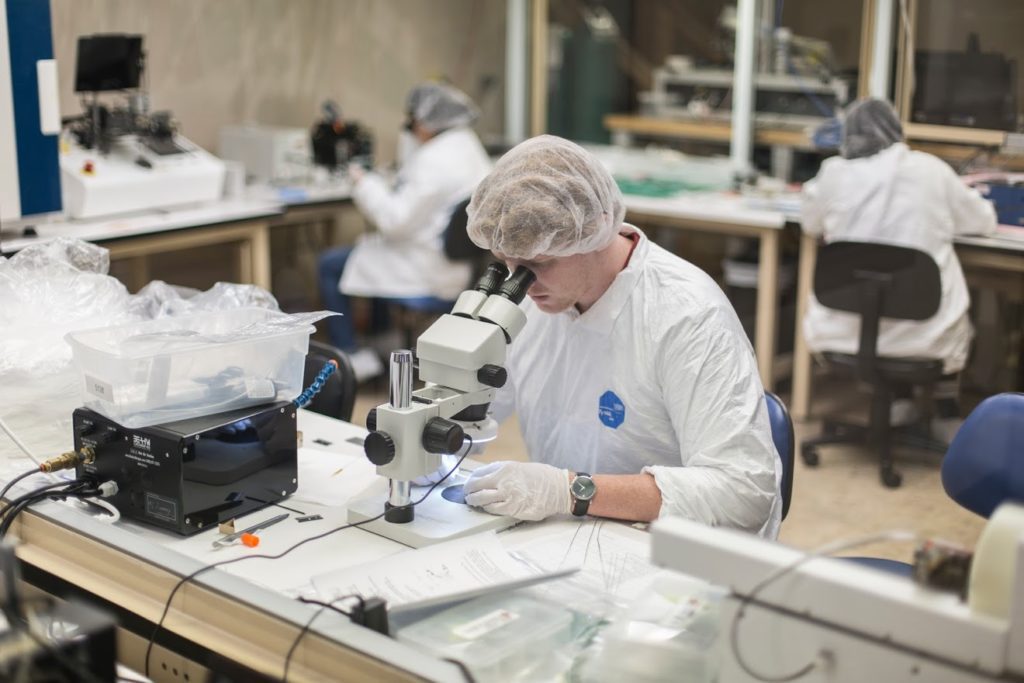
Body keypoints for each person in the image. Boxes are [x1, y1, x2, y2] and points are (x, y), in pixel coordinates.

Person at [460, 135, 781, 537]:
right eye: (505, 261)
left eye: (537, 262)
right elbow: (475, 409)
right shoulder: (530, 300)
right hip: (569, 534)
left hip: (679, 549)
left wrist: (570, 492)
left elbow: (744, 494)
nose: (520, 280)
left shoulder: (688, 314)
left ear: (592, 232)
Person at [801, 98, 997, 427]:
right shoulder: (930, 170)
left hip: (843, 333)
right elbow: (983, 221)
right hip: (925, 337)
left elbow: (809, 224)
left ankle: (901, 401)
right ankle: (945, 411)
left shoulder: (833, 173)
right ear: (895, 130)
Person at [317, 82, 491, 380]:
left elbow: (394, 221)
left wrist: (363, 182)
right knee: (367, 252)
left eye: (412, 120)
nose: (410, 128)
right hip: (458, 266)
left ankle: (353, 357)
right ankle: (382, 341)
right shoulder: (467, 147)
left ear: (426, 121)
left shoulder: (434, 160)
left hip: (427, 270)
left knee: (331, 264)